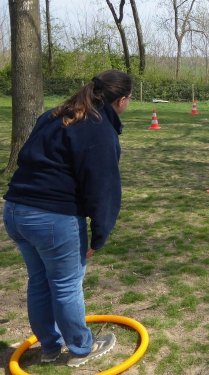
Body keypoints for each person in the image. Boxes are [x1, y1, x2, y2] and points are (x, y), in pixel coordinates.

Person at [3, 70, 132, 367]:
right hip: (51, 217)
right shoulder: (98, 130)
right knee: (65, 284)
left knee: (39, 281)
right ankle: (81, 348)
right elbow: (104, 189)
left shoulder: (54, 115)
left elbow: (27, 158)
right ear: (122, 101)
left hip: (15, 210)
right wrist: (99, 237)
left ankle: (49, 346)